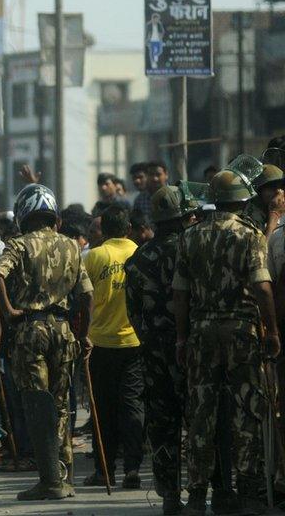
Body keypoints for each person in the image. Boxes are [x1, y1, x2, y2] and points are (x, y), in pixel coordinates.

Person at [175, 170, 279, 515]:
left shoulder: (190, 236)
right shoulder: (249, 234)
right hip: (240, 331)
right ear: (243, 199)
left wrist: (181, 336)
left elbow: (181, 292)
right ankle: (249, 494)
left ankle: (196, 496)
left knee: (202, 413)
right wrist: (273, 331)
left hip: (201, 332)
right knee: (248, 411)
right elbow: (263, 287)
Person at [0, 184, 93, 501]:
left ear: (23, 215)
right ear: (54, 217)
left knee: (37, 404)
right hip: (63, 330)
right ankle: (64, 476)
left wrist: (8, 310)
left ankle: (49, 480)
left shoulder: (18, 245)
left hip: (29, 332)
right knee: (61, 406)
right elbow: (87, 294)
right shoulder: (72, 246)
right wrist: (83, 333)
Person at [125, 186, 197, 515]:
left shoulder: (137, 259)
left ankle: (169, 495)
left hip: (154, 349)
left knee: (162, 422)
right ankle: (202, 491)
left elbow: (133, 313)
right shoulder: (194, 248)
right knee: (198, 420)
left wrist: (150, 337)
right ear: (183, 216)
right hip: (192, 346)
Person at [82, 204, 143, 489]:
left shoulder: (94, 257)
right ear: (128, 229)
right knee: (132, 406)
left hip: (100, 344)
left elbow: (82, 299)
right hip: (134, 342)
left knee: (102, 409)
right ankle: (132, 468)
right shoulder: (139, 253)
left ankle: (104, 470)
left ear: (103, 231)